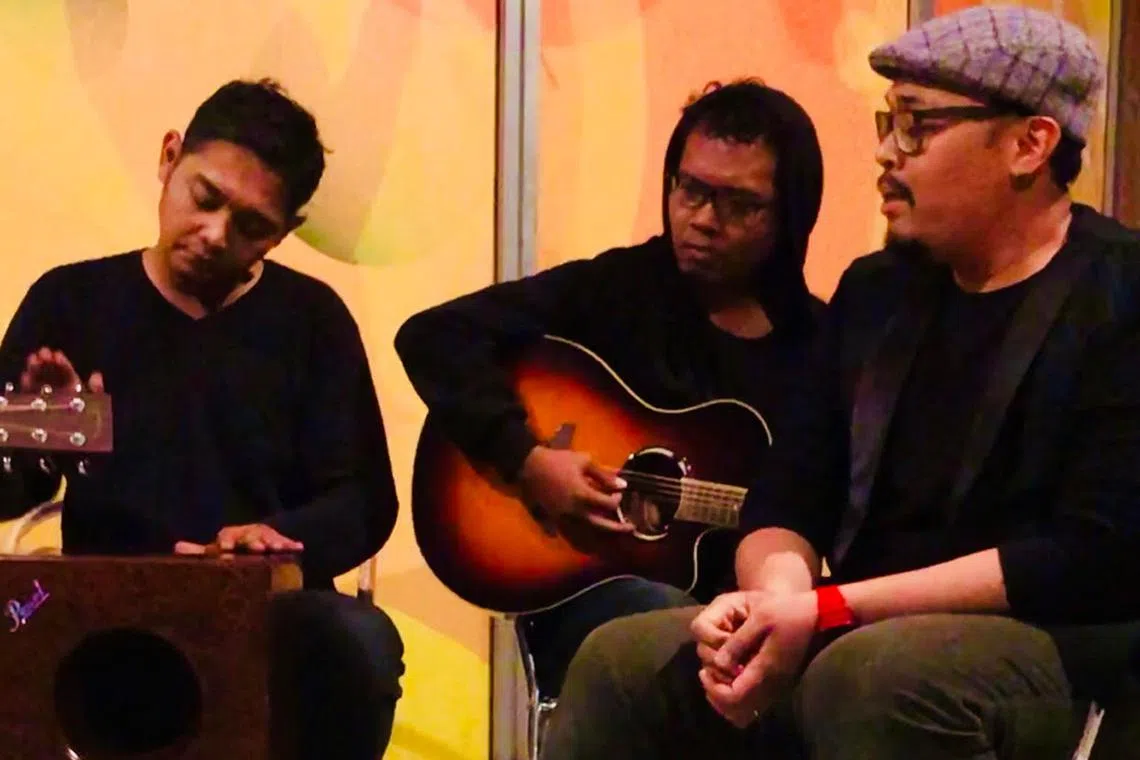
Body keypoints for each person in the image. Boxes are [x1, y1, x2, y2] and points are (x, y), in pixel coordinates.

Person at [540, 5, 1140, 759]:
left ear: (1029, 144)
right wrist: (775, 605)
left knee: (871, 677)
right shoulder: (876, 292)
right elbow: (788, 494)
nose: (887, 153)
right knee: (621, 660)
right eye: (888, 123)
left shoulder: (1119, 292)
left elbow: (1090, 555)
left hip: (1057, 644)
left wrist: (829, 610)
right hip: (861, 625)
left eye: (917, 126)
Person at [0, 79, 404, 759]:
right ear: (169, 157)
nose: (216, 235)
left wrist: (278, 543)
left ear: (285, 232)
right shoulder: (72, 300)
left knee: (355, 643)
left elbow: (364, 501)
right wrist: (47, 440)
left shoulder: (312, 320)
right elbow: (11, 490)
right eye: (205, 198)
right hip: (106, 605)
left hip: (266, 613)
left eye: (252, 227)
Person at [395, 79, 827, 699]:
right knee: (666, 626)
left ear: (791, 215)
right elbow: (433, 336)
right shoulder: (618, 288)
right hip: (590, 594)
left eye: (739, 204)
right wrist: (527, 460)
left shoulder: (822, 345)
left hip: (747, 613)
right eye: (690, 189)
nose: (703, 219)